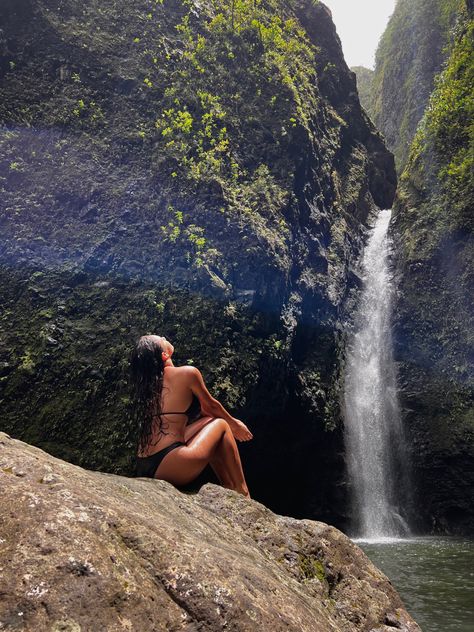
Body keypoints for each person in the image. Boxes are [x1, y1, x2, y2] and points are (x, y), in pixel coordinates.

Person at [130, 334, 252, 497]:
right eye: (161, 338)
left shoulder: (148, 387)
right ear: (164, 355)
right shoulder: (187, 373)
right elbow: (212, 406)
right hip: (171, 462)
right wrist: (235, 424)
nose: (165, 336)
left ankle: (229, 486)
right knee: (222, 424)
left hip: (145, 463)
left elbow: (208, 414)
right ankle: (242, 490)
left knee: (210, 422)